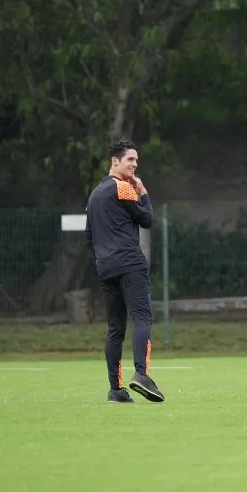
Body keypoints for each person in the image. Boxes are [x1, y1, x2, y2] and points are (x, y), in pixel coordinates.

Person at [84, 138, 164, 404]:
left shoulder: (94, 196)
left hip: (105, 268)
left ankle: (116, 390)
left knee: (115, 329)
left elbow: (89, 238)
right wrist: (143, 191)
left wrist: (104, 258)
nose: (134, 165)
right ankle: (141, 375)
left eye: (137, 161)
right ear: (114, 161)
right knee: (142, 318)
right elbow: (147, 219)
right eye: (130, 159)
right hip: (130, 263)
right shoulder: (123, 188)